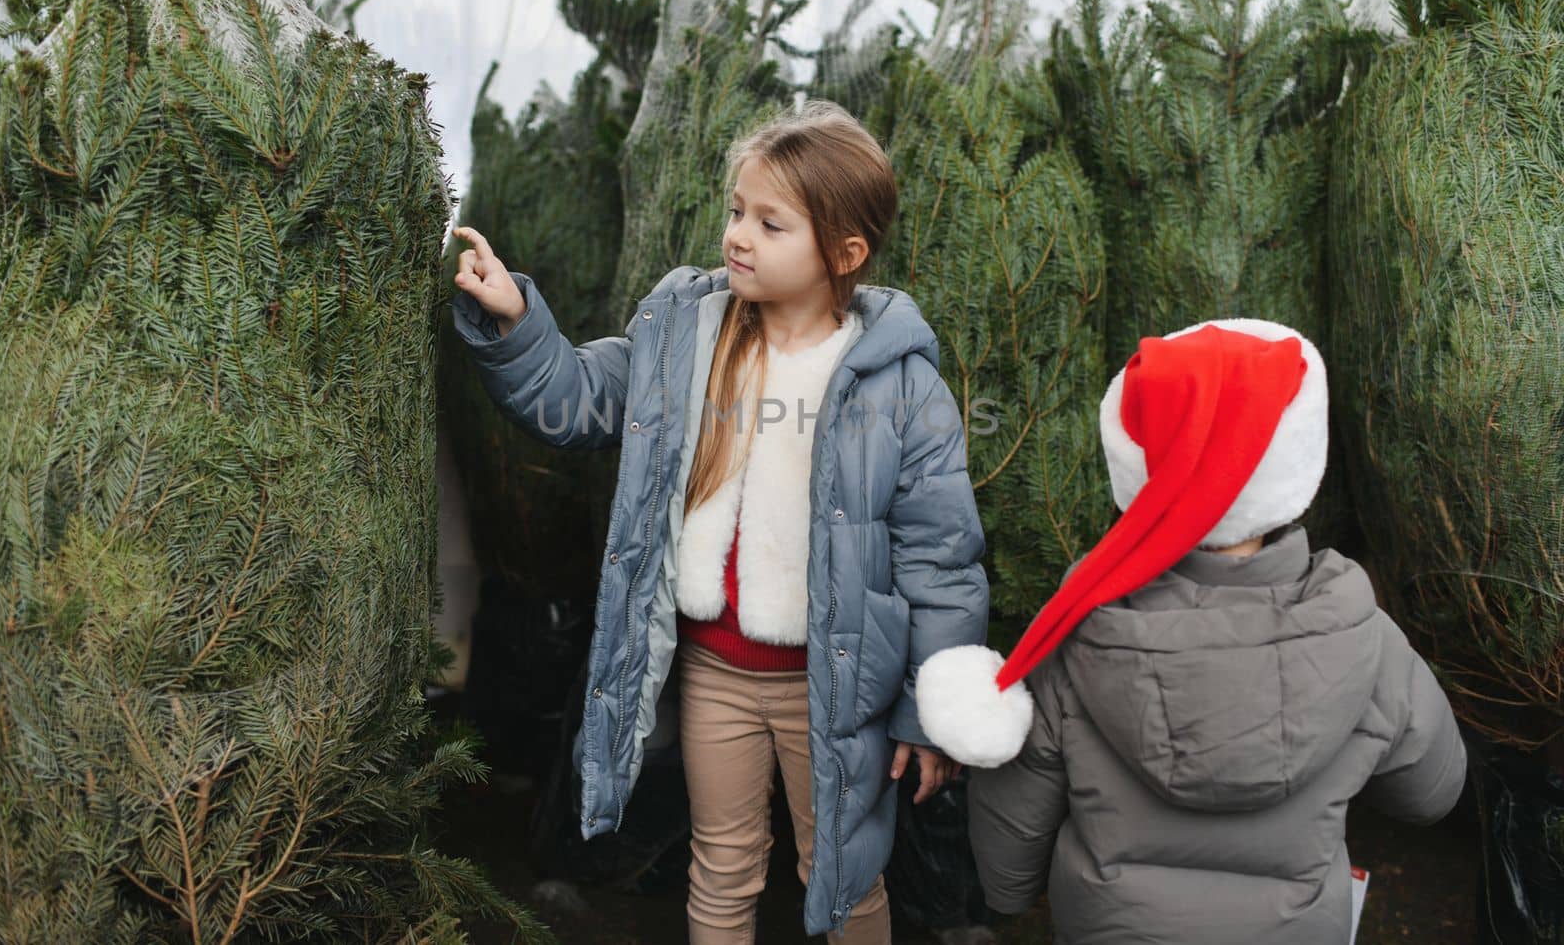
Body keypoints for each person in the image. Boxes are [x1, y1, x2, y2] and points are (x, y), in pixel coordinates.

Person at [449, 99, 990, 943]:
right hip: (718, 677)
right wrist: (517, 323)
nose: (738, 234)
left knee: (842, 873)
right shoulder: (686, 335)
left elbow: (942, 557)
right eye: (738, 211)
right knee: (723, 863)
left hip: (841, 687)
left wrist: (929, 710)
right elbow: (586, 399)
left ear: (844, 252)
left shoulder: (898, 383)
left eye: (771, 223)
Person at [915, 319, 1468, 944]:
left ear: (1137, 464)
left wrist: (1011, 893)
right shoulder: (1361, 632)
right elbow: (1435, 793)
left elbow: (1013, 827)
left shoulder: (1081, 631)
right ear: (1293, 462)